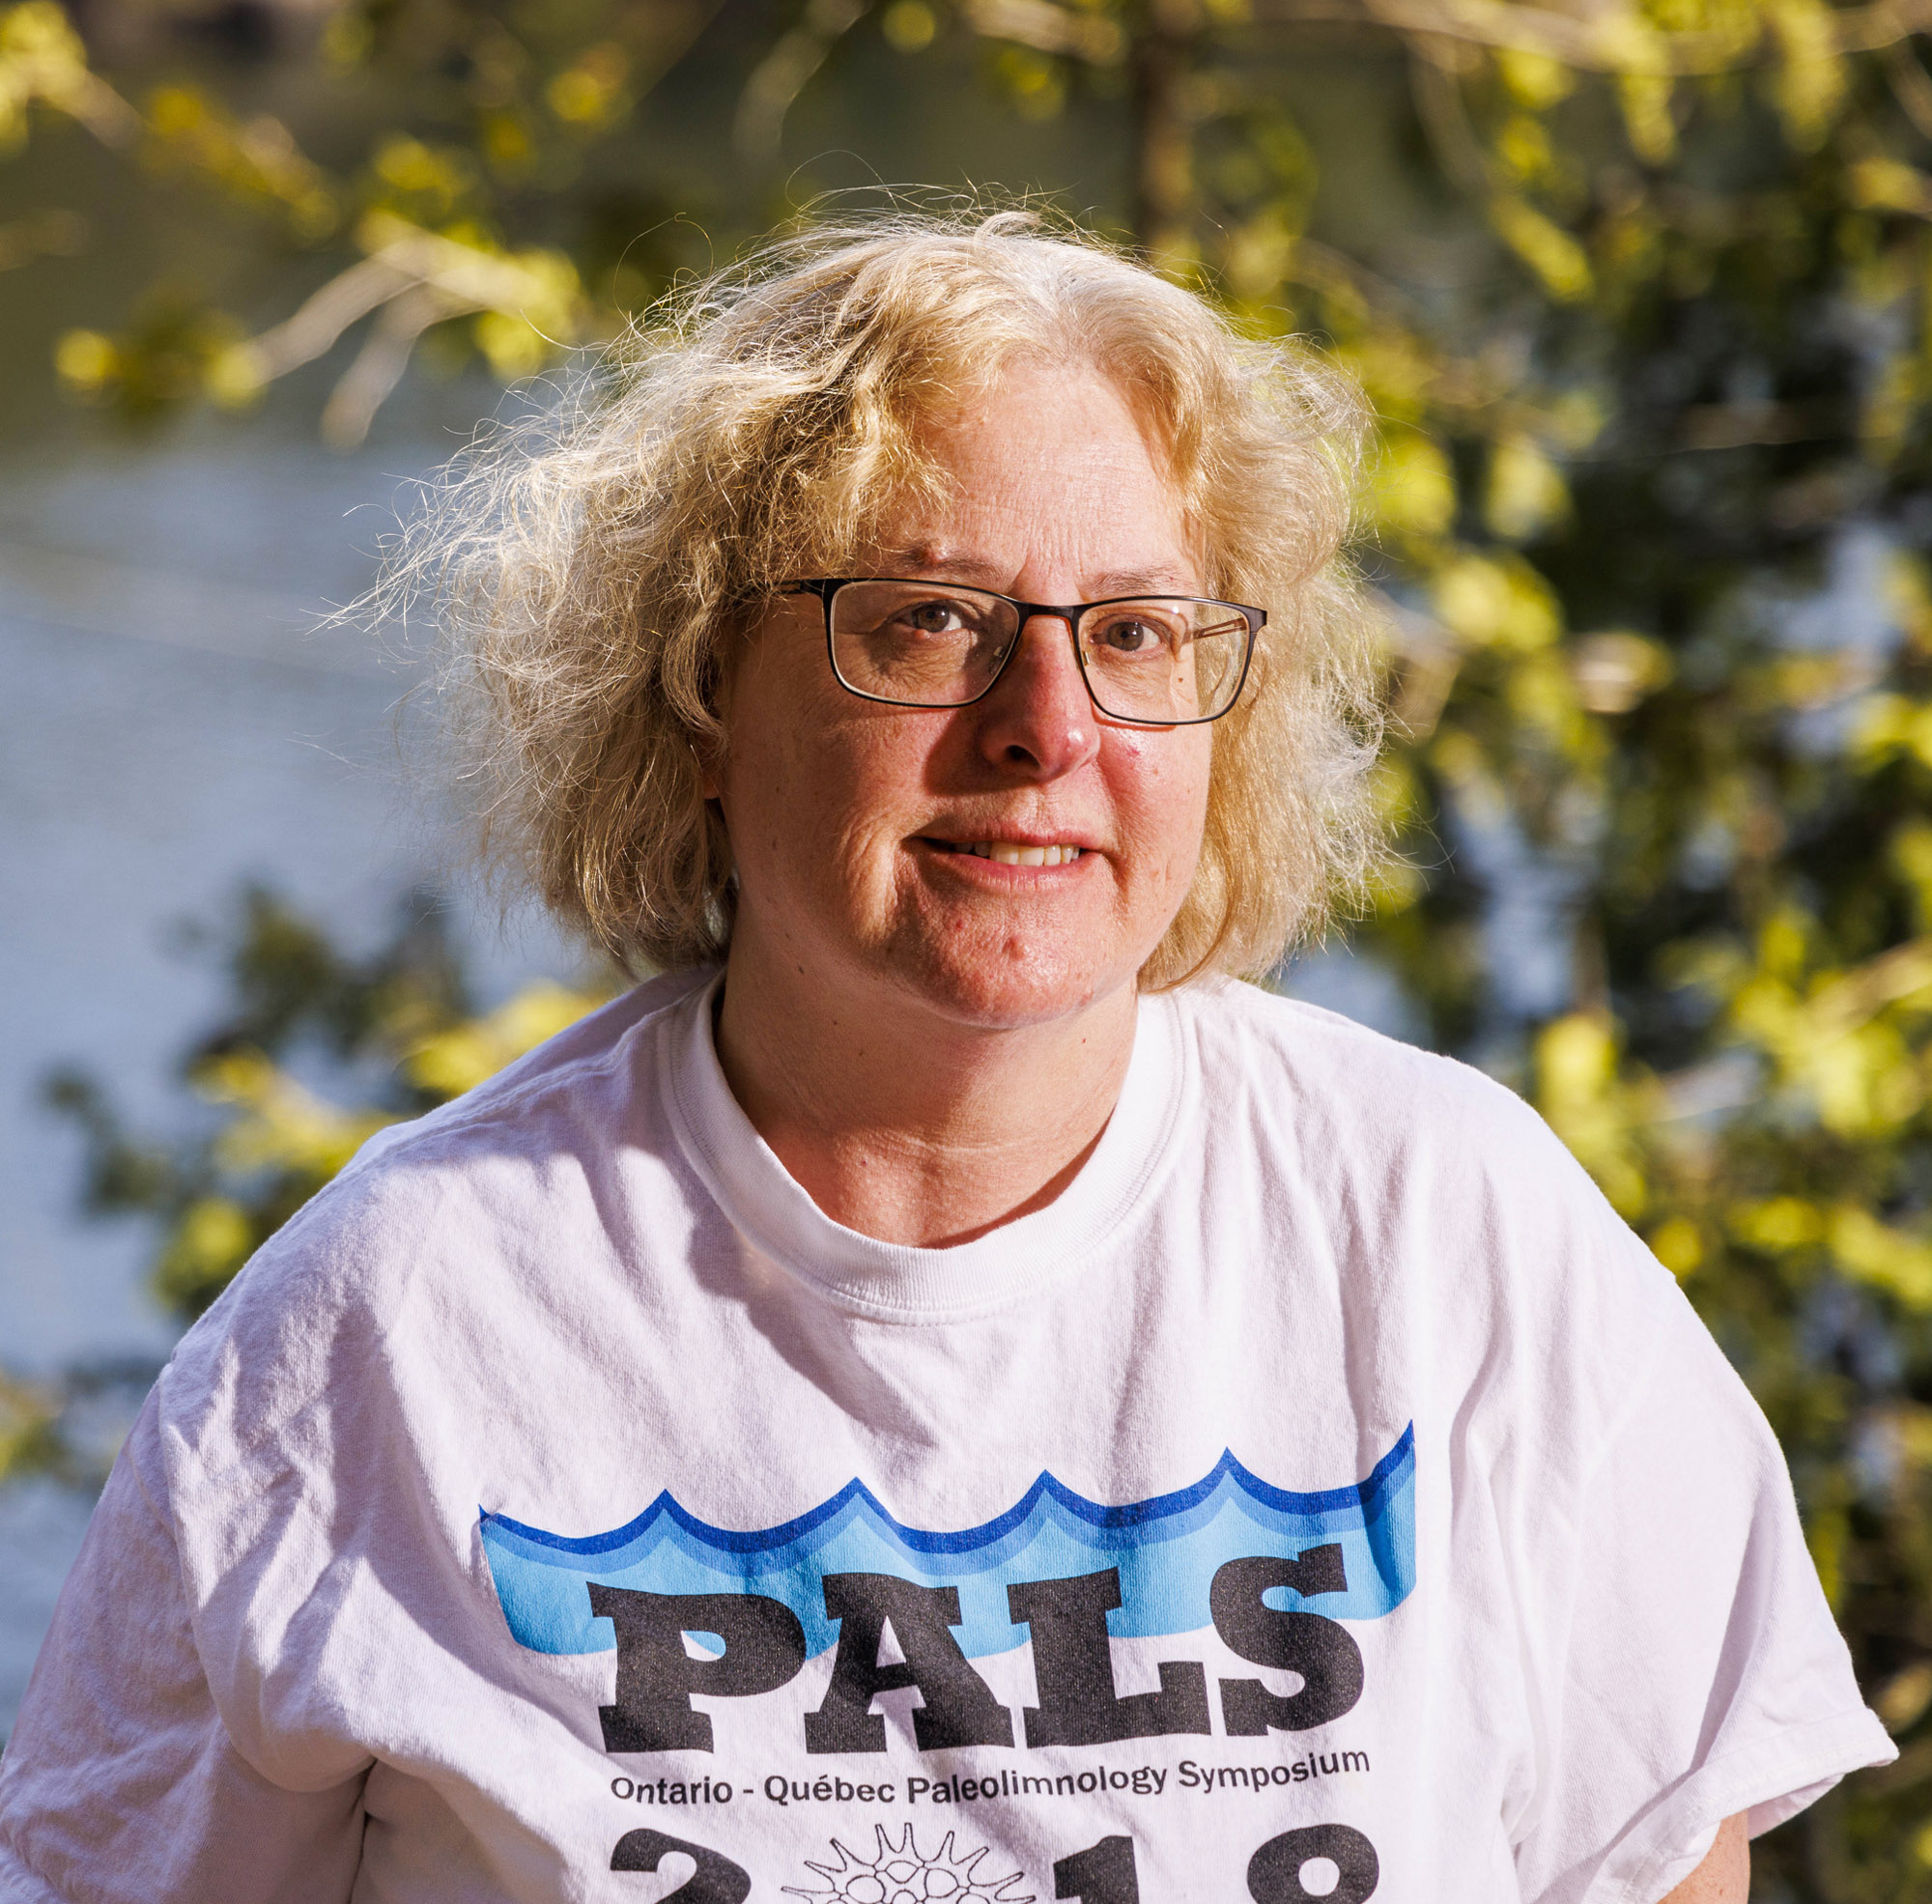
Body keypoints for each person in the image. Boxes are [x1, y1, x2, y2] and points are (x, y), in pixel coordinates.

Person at [0, 213, 1894, 1904]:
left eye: (1137, 632)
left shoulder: (1454, 1240)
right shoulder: (389, 1329)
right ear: (698, 696)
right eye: (929, 621)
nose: (1044, 724)